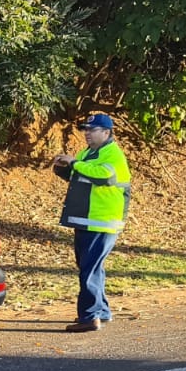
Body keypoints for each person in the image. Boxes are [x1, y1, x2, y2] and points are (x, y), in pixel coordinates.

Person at [53, 113, 132, 333]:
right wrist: (63, 167)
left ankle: (90, 317)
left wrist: (75, 163)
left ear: (106, 132)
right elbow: (79, 177)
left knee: (89, 270)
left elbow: (103, 176)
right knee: (91, 267)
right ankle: (101, 310)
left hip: (101, 222)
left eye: (92, 129)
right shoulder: (88, 153)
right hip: (87, 220)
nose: (87, 133)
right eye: (85, 129)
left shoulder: (113, 154)